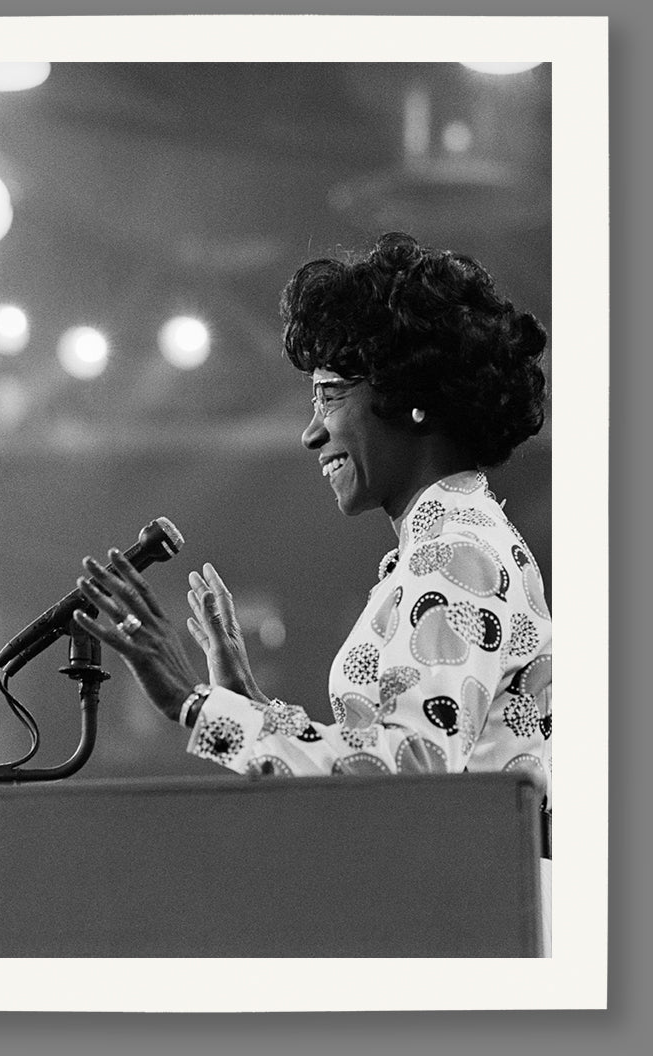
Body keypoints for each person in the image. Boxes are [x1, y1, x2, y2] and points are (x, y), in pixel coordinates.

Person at [72, 231, 552, 950]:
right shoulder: (449, 544)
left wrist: (195, 704)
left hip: (471, 936)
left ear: (411, 399)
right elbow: (404, 766)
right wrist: (245, 702)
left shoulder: (455, 552)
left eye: (329, 395)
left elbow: (414, 778)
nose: (309, 433)